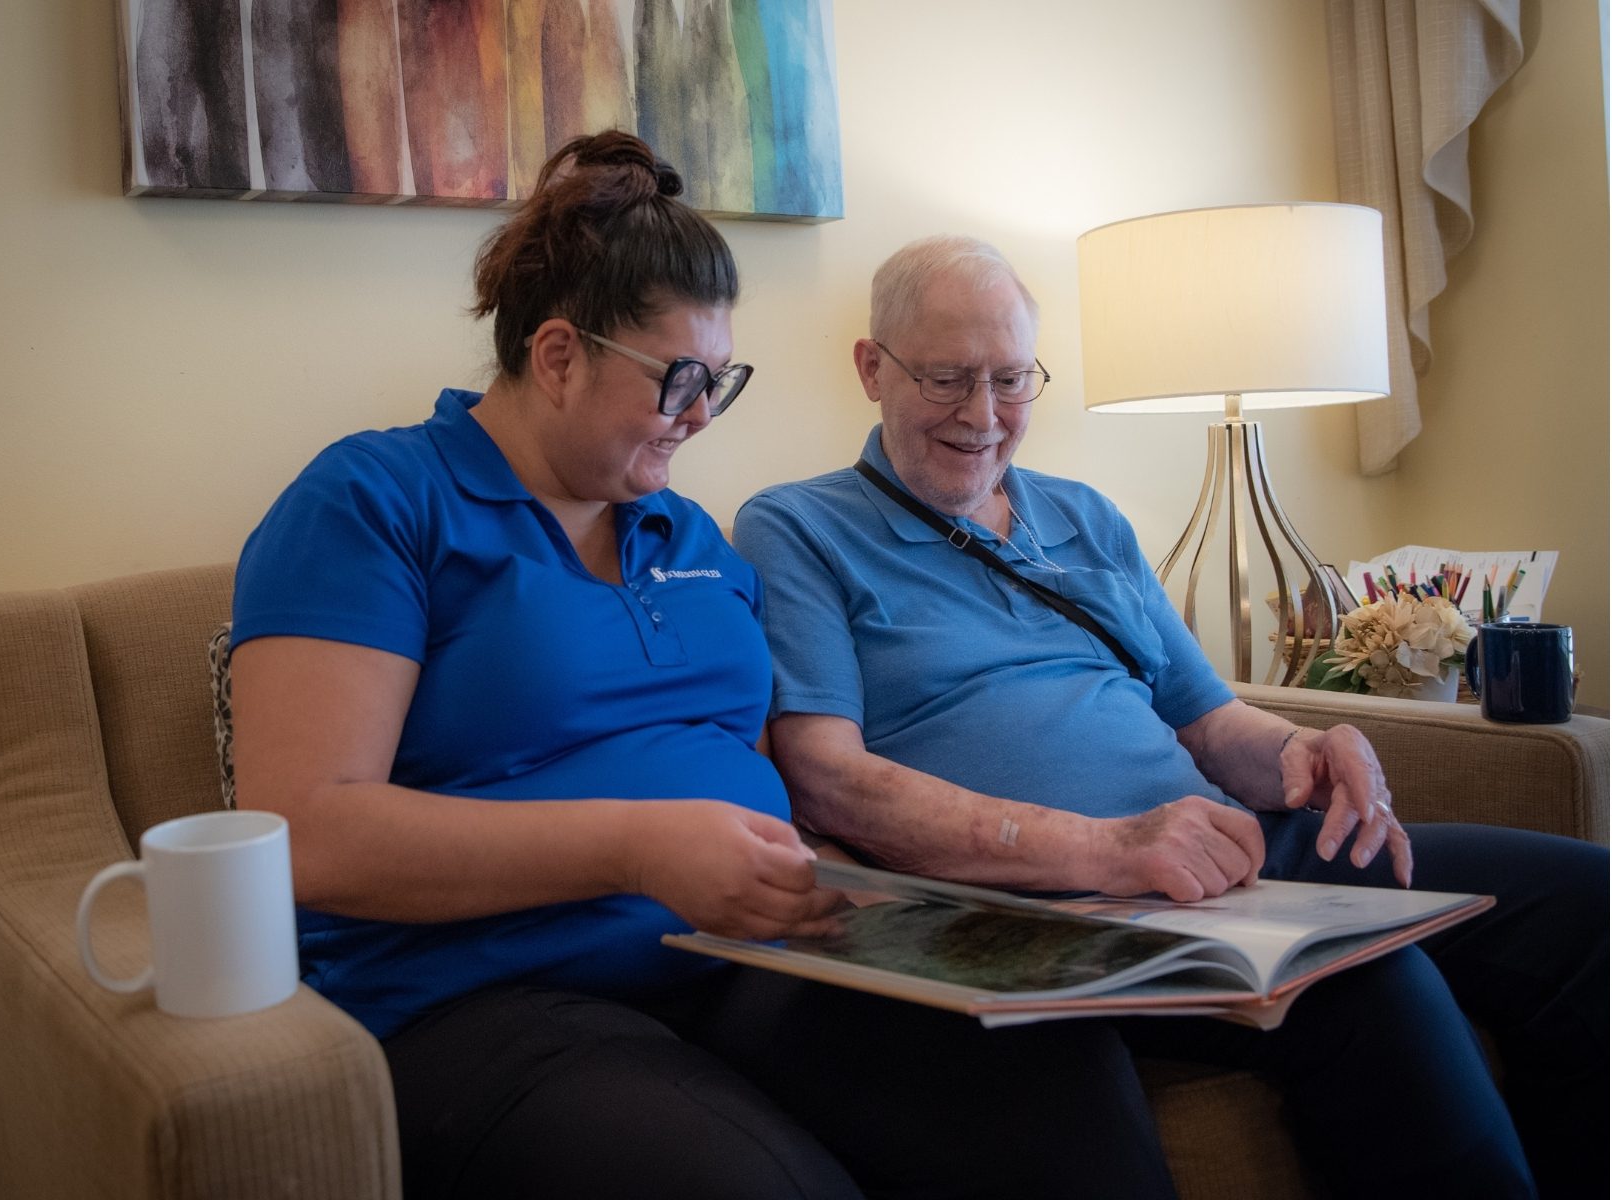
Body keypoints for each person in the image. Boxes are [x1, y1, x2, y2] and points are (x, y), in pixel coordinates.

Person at [231, 136, 1201, 1200]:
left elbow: (753, 774)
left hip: (747, 960)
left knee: (1056, 1077)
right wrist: (639, 847)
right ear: (557, 355)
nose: (701, 415)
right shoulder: (376, 501)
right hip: (483, 997)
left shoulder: (690, 536)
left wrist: (869, 889)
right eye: (680, 381)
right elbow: (306, 834)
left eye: (719, 382)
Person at [734, 234, 1609, 1200]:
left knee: (1590, 905)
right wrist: (1109, 849)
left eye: (1012, 380)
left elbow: (1211, 723)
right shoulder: (798, 527)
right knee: (1370, 980)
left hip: (1240, 856)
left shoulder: (1088, 517)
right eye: (945, 379)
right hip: (1069, 900)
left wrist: (1311, 748)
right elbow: (827, 778)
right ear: (872, 368)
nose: (983, 416)